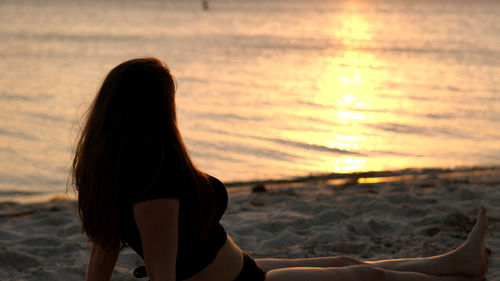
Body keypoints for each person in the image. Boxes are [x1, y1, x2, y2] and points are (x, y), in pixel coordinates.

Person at [72, 57, 490, 281]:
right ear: (156, 108)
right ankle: (459, 271)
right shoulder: (154, 176)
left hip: (243, 266)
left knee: (345, 259)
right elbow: (162, 274)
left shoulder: (112, 171)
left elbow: (102, 255)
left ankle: (457, 261)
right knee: (362, 276)